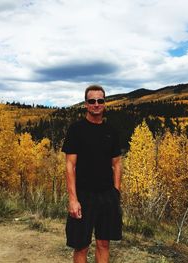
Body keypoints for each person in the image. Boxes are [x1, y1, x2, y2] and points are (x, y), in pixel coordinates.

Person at [62, 85, 122, 263]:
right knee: (81, 246)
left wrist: (116, 192)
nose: (96, 104)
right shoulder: (76, 130)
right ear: (86, 104)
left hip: (107, 196)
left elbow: (117, 163)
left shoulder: (111, 131)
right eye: (92, 101)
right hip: (83, 196)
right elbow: (70, 166)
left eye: (100, 101)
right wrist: (73, 199)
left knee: (104, 243)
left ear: (104, 103)